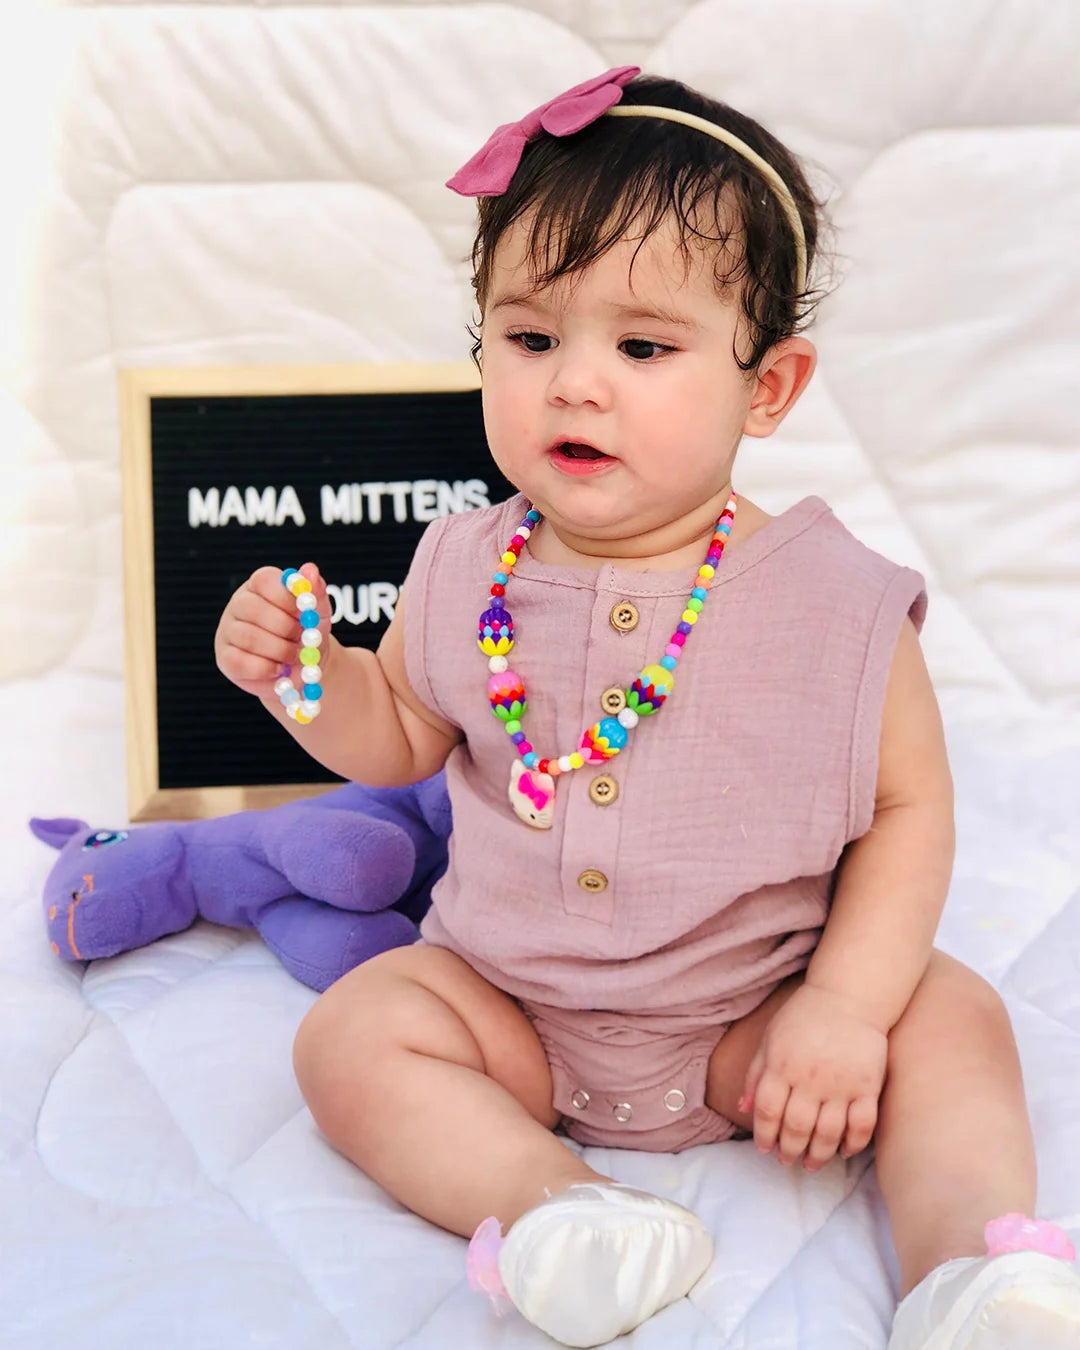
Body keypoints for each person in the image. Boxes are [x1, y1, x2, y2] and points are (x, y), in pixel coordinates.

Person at [214, 68, 1080, 1350]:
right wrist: (309, 675)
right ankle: (558, 1210)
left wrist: (839, 1011)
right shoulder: (463, 564)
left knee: (950, 1014)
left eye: (643, 347)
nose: (575, 384)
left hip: (754, 1019)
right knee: (353, 1035)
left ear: (769, 389)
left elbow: (907, 811)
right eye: (529, 338)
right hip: (510, 1017)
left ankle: (968, 1270)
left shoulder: (835, 598)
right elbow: (397, 729)